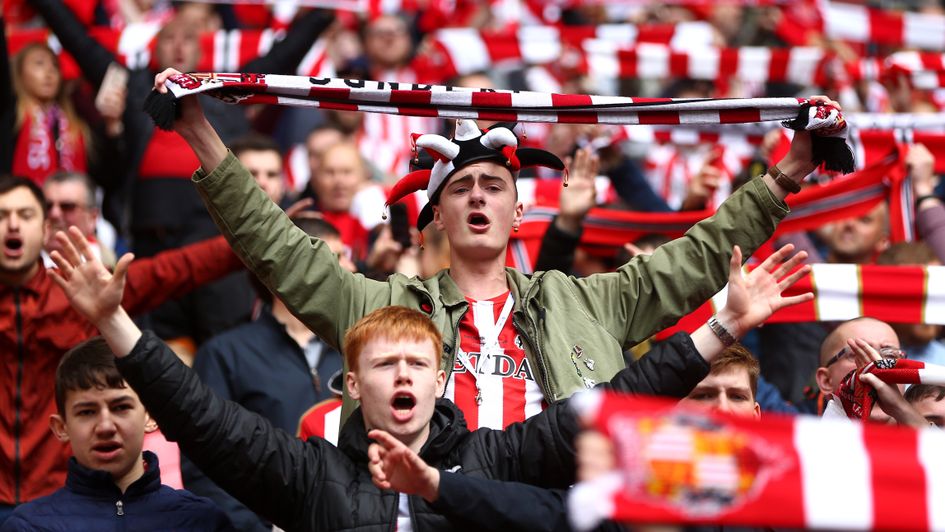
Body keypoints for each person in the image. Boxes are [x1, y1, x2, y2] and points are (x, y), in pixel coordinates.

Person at [156, 67, 833, 426]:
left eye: (492, 187)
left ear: (518, 214)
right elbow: (277, 247)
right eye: (461, 189)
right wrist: (200, 133)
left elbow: (697, 253)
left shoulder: (588, 302)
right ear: (437, 218)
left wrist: (789, 171)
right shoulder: (382, 307)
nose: (477, 197)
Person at [48, 218, 809, 531]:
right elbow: (202, 419)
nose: (404, 374)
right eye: (385, 364)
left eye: (419, 362)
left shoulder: (493, 456)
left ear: (441, 380)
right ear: (352, 386)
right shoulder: (308, 474)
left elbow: (612, 403)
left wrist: (722, 326)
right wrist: (116, 324)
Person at [0, 175, 244, 516]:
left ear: (45, 230)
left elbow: (172, 270)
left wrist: (255, 243)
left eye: (25, 215)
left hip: (62, 496)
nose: (12, 225)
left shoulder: (82, 293)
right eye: (2, 215)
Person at [184, 217, 347, 531]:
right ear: (293, 266)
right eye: (338, 258)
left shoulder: (359, 351)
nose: (351, 269)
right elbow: (204, 464)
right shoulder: (225, 354)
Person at [0, 337, 233, 531]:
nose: (105, 426)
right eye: (87, 412)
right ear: (62, 427)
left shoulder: (200, 521)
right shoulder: (30, 526)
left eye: (121, 407)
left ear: (150, 417)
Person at [42, 171, 116, 268]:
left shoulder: (108, 266)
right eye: (47, 206)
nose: (54, 214)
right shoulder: (23, 265)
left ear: (92, 218)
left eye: (67, 206)